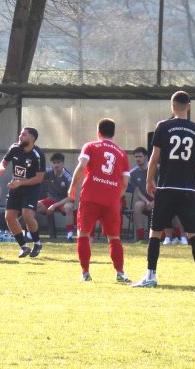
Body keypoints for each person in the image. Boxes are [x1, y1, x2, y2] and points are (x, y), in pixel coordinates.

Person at [133, 91, 195, 289]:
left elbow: (154, 158)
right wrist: (192, 177)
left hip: (166, 187)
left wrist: (149, 180)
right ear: (189, 107)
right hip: (188, 190)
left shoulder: (163, 126)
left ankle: (151, 276)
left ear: (172, 106)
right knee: (194, 234)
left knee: (155, 232)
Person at [68, 118, 131, 282]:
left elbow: (82, 166)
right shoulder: (122, 154)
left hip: (90, 196)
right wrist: (115, 197)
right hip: (111, 200)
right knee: (114, 237)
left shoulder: (90, 146)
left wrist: (73, 186)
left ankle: (85, 273)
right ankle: (120, 273)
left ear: (98, 132)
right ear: (114, 133)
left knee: (83, 234)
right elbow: (125, 182)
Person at [0, 127, 46, 258]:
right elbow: (4, 161)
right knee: (9, 217)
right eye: (20, 134)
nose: (20, 136)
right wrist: (2, 168)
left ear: (32, 138)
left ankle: (37, 243)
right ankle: (24, 247)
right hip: (15, 186)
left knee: (27, 214)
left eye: (24, 135)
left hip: (31, 188)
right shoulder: (14, 148)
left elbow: (39, 178)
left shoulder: (38, 155)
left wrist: (21, 182)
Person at [37, 152, 75, 241]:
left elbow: (71, 197)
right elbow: (38, 174)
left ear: (63, 163)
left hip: (63, 202)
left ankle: (69, 235)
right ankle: (30, 234)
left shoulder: (68, 177)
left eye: (58, 162)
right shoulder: (49, 171)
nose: (56, 165)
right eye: (54, 163)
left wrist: (54, 206)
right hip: (50, 199)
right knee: (34, 205)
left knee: (69, 207)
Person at [128, 147, 153, 242]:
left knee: (162, 205)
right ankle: (141, 238)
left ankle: (161, 237)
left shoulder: (155, 169)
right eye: (136, 157)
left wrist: (154, 201)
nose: (138, 159)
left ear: (146, 157)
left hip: (158, 199)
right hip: (144, 200)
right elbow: (138, 192)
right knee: (137, 206)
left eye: (140, 156)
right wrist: (147, 202)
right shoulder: (133, 173)